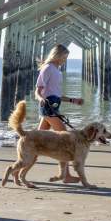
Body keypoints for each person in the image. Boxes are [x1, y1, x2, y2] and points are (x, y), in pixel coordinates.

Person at [35, 44, 84, 183]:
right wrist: (41, 99)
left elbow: (55, 93)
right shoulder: (48, 68)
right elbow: (38, 91)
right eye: (64, 57)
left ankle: (19, 170)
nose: (65, 60)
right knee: (65, 140)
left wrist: (73, 100)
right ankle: (66, 176)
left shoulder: (56, 69)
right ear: (57, 55)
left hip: (53, 107)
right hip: (48, 108)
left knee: (34, 143)